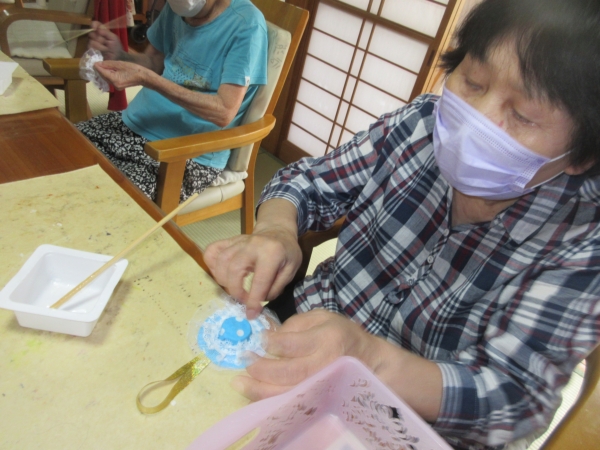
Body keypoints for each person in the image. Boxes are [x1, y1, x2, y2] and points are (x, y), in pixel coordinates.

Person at [204, 0, 600, 448]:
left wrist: (371, 361)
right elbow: (308, 181)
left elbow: (512, 396)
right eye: (473, 82)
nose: (476, 122)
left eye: (523, 115)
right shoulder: (419, 124)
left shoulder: (584, 241)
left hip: (407, 423)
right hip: (303, 332)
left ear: (582, 153)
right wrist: (276, 229)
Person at [76, 0, 268, 201]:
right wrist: (120, 55)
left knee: (104, 200)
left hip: (182, 154)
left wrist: (148, 79)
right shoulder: (175, 7)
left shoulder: (247, 25)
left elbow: (224, 111)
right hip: (134, 123)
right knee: (65, 150)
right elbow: (154, 63)